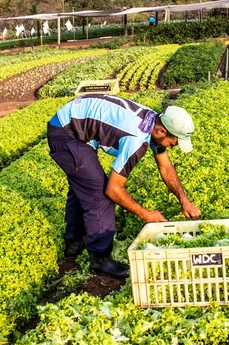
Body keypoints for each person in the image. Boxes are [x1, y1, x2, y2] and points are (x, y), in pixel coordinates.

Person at [47, 94, 201, 278]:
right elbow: (113, 190)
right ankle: (100, 259)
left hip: (74, 124)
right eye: (173, 142)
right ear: (161, 131)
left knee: (83, 186)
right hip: (66, 133)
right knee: (98, 195)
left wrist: (184, 200)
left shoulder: (154, 121)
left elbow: (166, 168)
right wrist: (146, 214)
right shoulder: (136, 139)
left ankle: (74, 243)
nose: (173, 146)